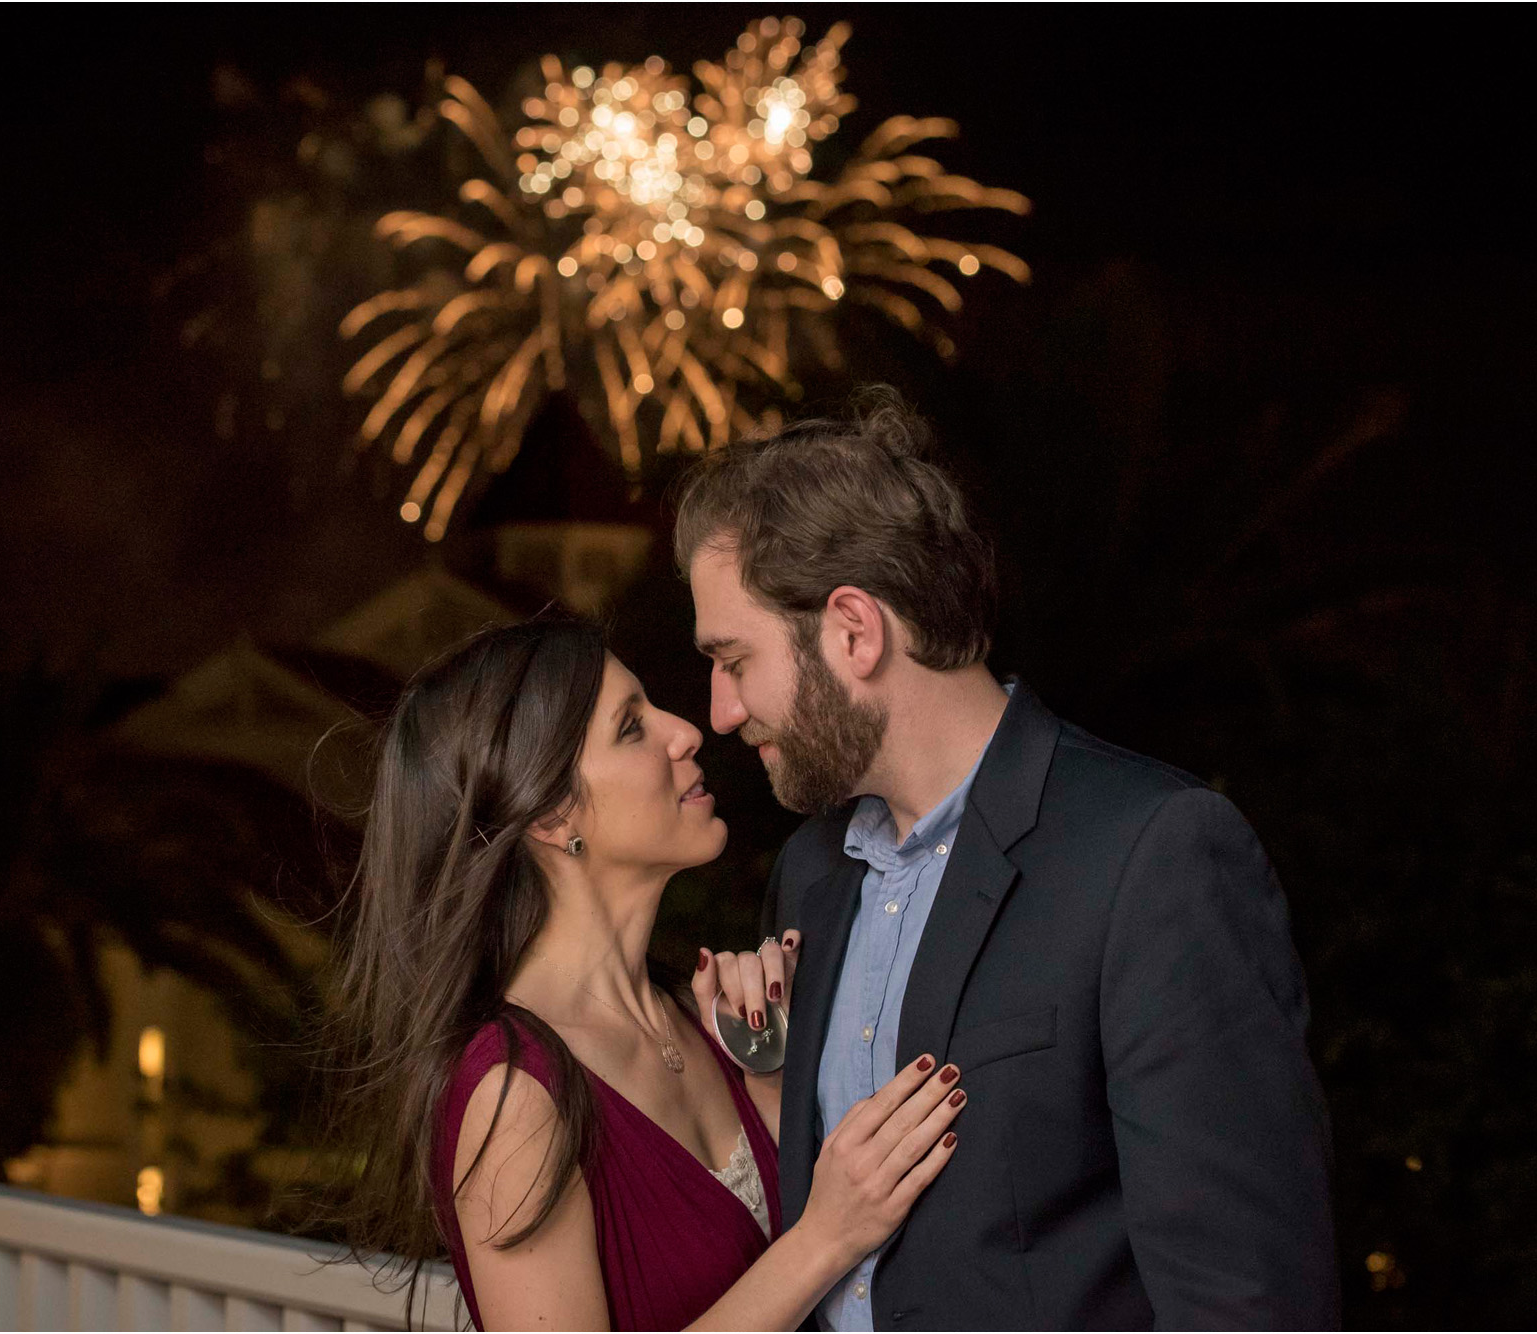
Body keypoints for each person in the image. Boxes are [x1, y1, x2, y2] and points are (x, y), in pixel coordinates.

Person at [676, 387, 1341, 1329]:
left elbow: (1246, 1299)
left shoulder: (1154, 854)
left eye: (734, 660)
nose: (722, 712)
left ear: (854, 631)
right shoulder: (812, 876)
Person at [329, 618, 969, 1331]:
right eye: (632, 728)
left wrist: (770, 1067)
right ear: (549, 814)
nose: (685, 732)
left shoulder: (700, 1018)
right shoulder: (514, 1091)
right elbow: (823, 1232)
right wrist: (826, 1238)